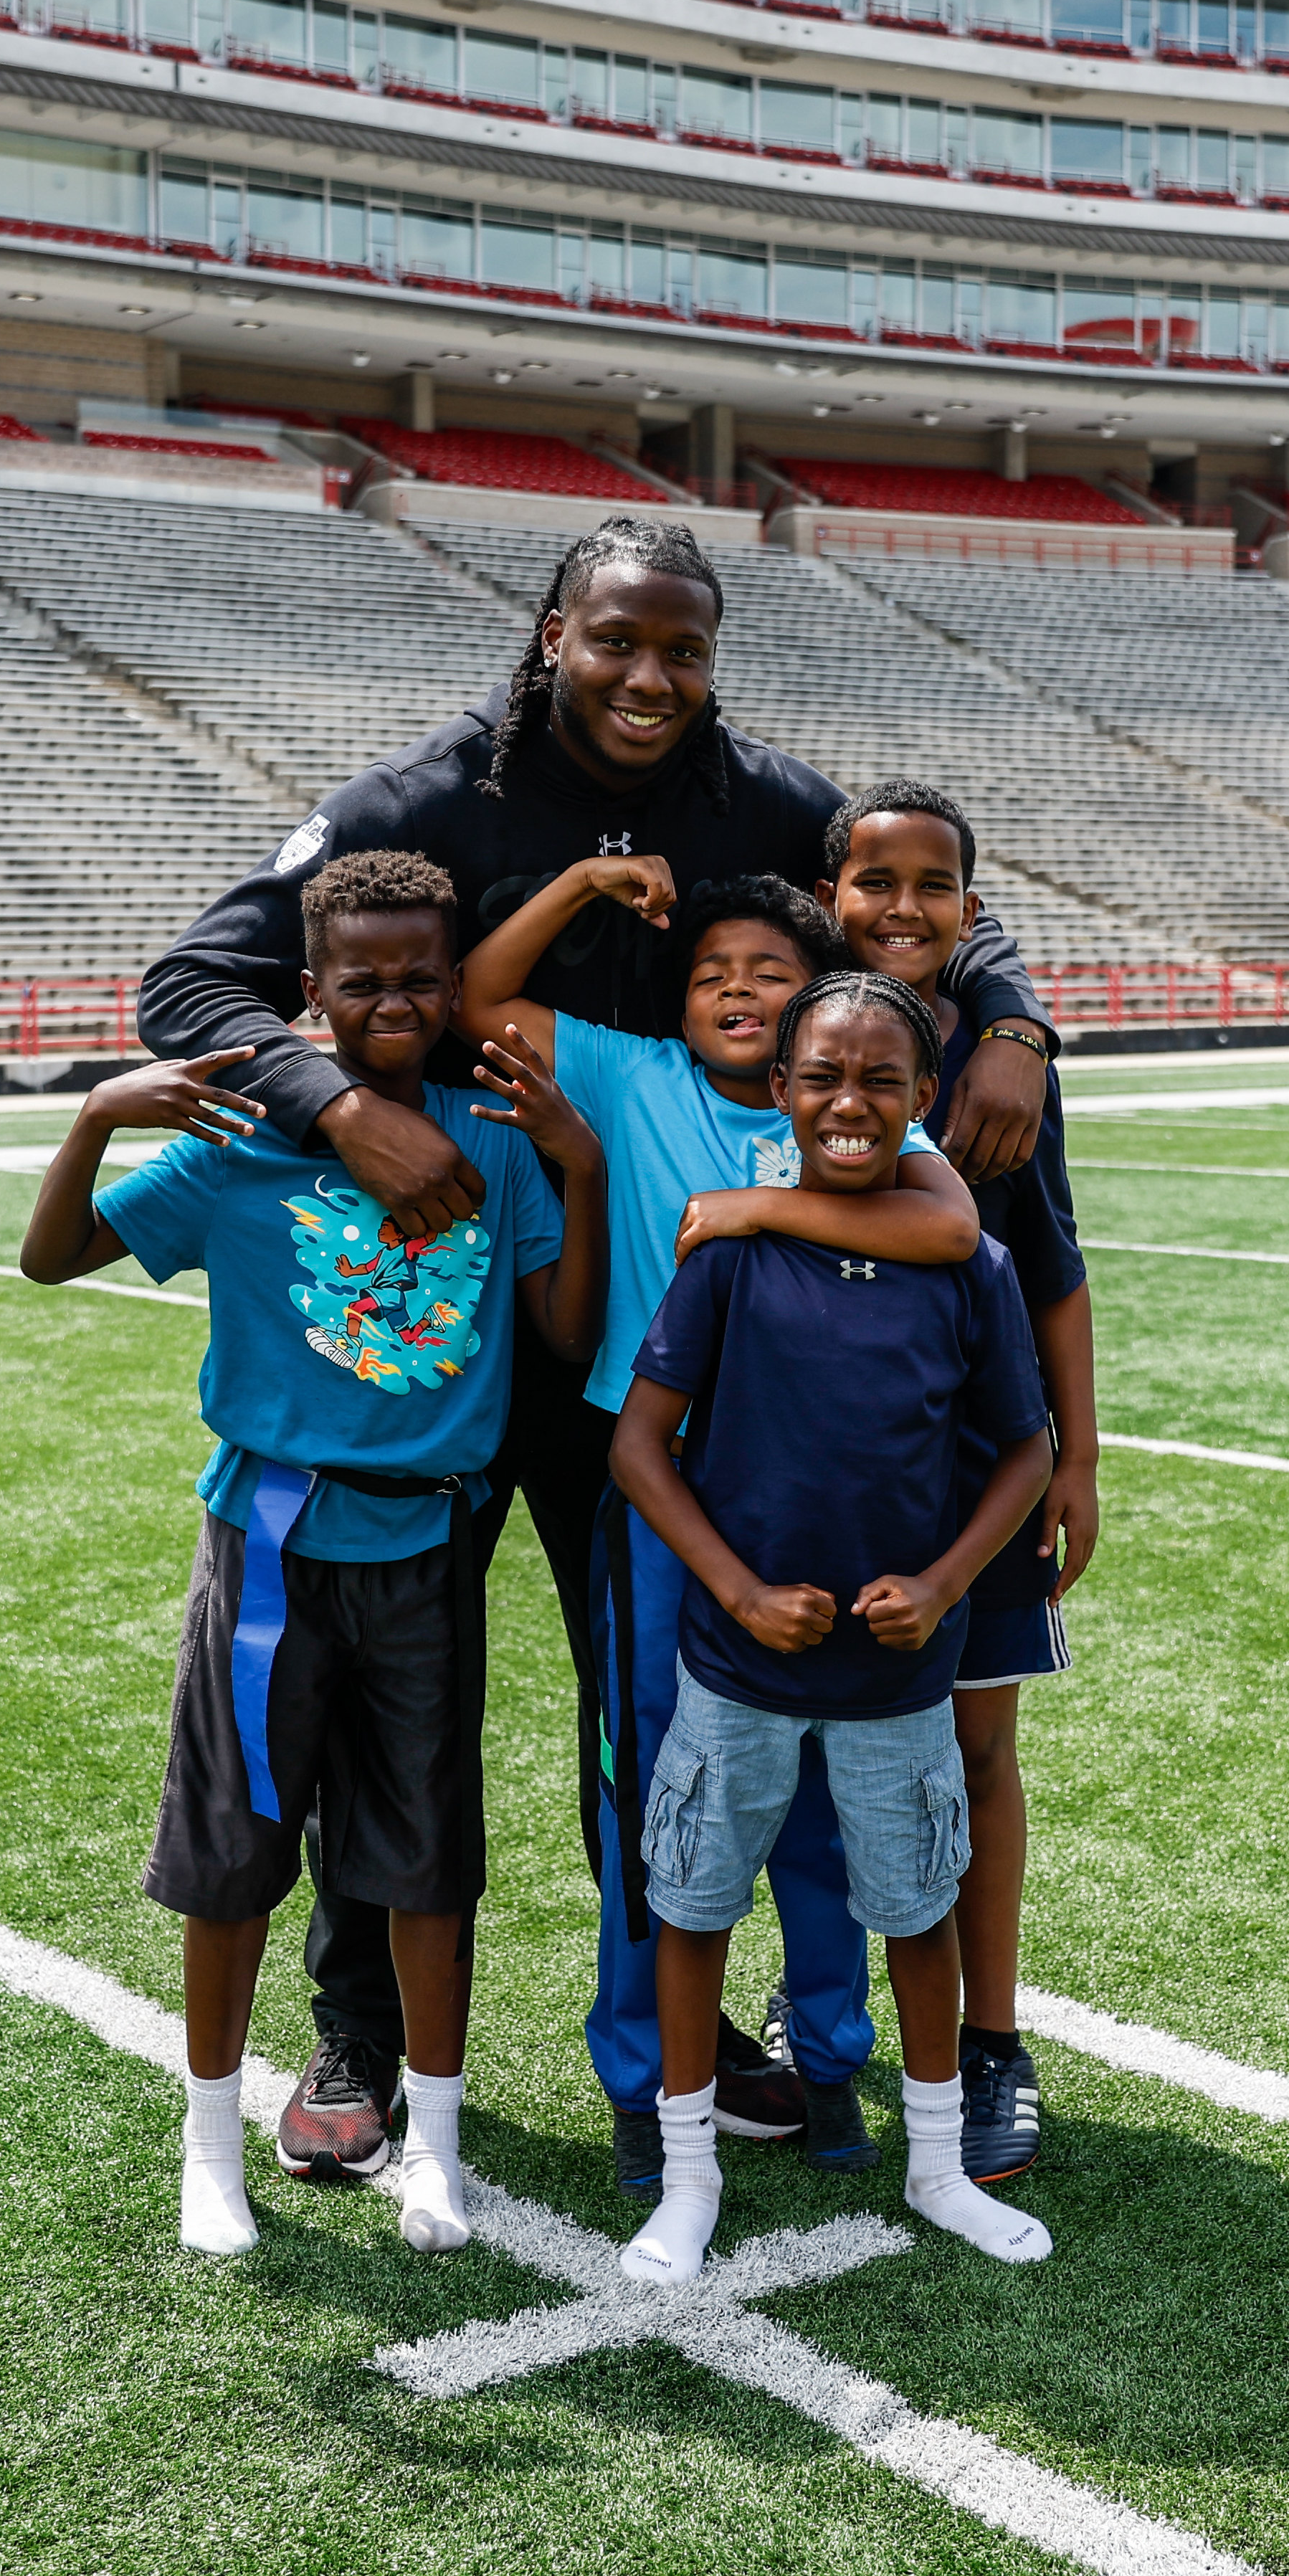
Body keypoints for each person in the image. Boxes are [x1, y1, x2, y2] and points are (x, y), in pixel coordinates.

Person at [135, 514, 1062, 2181]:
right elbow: (196, 976)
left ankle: (699, 2045)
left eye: (680, 649)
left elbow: (913, 894)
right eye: (614, 640)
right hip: (426, 1348)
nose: (647, 678)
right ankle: (355, 2026)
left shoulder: (762, 799)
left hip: (665, 1371)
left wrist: (1010, 1017)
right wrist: (340, 1110)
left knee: (655, 1719)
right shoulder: (426, 804)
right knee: (370, 1702)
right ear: (548, 630)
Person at [20, 852, 605, 2251]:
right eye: (362, 979)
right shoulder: (240, 1138)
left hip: (426, 1546)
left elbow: (569, 1334)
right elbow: (52, 1259)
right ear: (311, 993)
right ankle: (207, 2144)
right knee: (232, 1854)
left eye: (420, 975)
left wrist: (580, 1168)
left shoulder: (500, 1133)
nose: (394, 999)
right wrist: (101, 1110)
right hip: (271, 1537)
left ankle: (436, 2149)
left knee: (423, 1859)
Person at [462, 858, 983, 2187]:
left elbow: (954, 1225)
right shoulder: (634, 1081)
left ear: (823, 1010)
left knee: (820, 1801)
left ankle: (824, 2056)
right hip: (666, 1493)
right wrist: (581, 879)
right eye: (711, 974)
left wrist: (754, 1206)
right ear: (674, 1006)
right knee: (657, 1788)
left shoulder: (856, 1112)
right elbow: (476, 994)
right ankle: (645, 2081)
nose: (739, 989)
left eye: (770, 973)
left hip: (824, 1499)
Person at [604, 969, 1057, 2284]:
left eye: (879, 1080)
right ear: (782, 1096)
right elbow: (640, 1447)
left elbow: (1021, 1454)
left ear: (924, 1099)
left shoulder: (967, 1266)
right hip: (734, 1661)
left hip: (896, 1676)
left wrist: (943, 1586)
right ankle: (688, 2178)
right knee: (692, 1904)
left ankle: (932, 2165)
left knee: (915, 1909)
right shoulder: (733, 1254)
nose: (847, 1102)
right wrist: (736, 1587)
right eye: (821, 1078)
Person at [814, 780, 1095, 2183]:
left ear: (973, 913)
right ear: (827, 900)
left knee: (976, 1751)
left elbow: (1054, 1271)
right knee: (809, 1752)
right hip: (817, 1467)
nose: (903, 908)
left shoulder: (999, 1070)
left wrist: (1082, 1456)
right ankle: (818, 2013)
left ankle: (991, 2035)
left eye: (934, 886)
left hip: (981, 1469)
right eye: (875, 882)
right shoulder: (794, 1042)